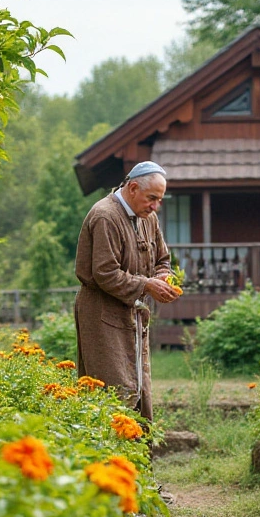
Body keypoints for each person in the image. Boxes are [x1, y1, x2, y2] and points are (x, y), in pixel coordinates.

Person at [73, 160, 180, 425]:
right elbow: (105, 273)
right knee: (112, 391)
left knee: (139, 387)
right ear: (132, 188)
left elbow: (163, 259)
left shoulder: (148, 217)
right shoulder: (105, 216)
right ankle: (110, 462)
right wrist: (146, 285)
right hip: (102, 316)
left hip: (134, 316)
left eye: (160, 200)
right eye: (152, 198)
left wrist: (163, 276)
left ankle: (137, 463)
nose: (156, 206)